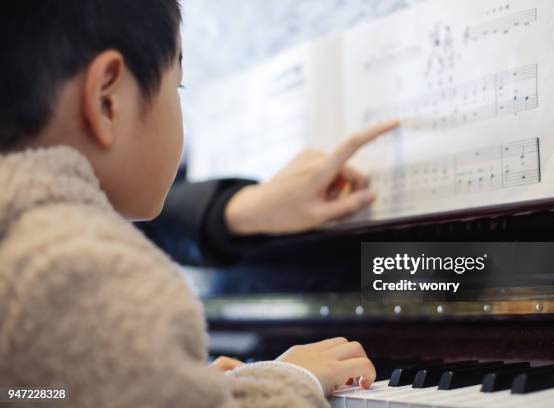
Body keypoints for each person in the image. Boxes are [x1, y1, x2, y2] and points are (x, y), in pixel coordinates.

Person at [0, 1, 400, 407]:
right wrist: (288, 379)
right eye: (179, 87)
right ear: (107, 99)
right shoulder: (88, 275)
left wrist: (165, 388)